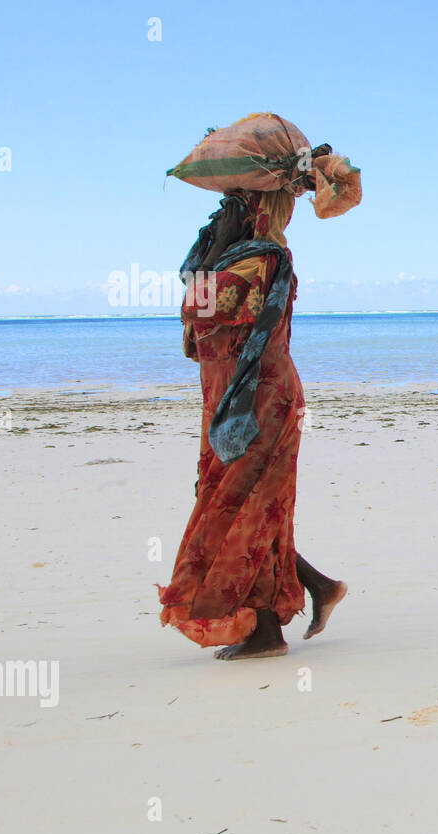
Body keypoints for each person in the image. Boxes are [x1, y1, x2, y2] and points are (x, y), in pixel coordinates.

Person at [159, 190, 346, 658]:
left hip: (261, 400)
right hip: (226, 398)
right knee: (243, 503)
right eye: (224, 205)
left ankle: (268, 628)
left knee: (247, 506)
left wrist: (208, 262)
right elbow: (193, 339)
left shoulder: (264, 260)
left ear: (259, 212)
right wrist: (208, 255)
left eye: (236, 205)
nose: (223, 213)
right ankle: (311, 593)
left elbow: (204, 307)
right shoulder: (229, 261)